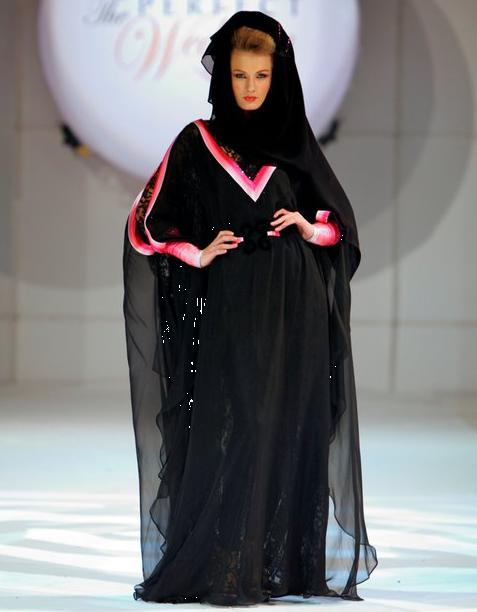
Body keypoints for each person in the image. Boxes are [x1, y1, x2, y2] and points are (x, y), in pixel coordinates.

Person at [123, 10, 378, 606]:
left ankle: (274, 567)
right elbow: (146, 223)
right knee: (240, 423)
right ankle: (227, 564)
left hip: (296, 305)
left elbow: (339, 228)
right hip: (234, 306)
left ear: (277, 76)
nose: (250, 87)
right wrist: (197, 251)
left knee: (286, 423)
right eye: (240, 75)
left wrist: (309, 229)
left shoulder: (295, 143)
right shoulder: (197, 141)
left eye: (261, 75)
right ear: (224, 76)